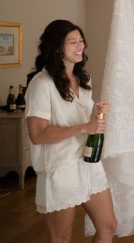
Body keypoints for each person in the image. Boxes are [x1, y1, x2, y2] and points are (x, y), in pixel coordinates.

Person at [25, 19, 117, 242]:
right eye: (73, 42)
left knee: (108, 226)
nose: (80, 46)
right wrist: (85, 126)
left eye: (81, 41)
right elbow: (37, 134)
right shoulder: (41, 84)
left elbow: (84, 121)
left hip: (87, 162)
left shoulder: (83, 79)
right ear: (57, 48)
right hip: (60, 167)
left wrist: (96, 113)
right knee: (62, 238)